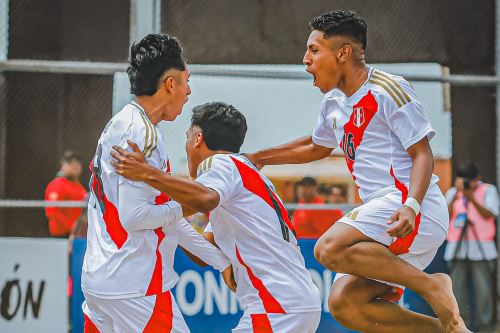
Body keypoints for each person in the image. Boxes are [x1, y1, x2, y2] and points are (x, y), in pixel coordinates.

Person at [245, 10, 470, 333]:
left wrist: (412, 205)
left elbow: (422, 154)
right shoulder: (333, 103)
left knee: (328, 248)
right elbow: (316, 146)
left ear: (343, 53)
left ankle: (431, 285)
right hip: (384, 215)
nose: (306, 59)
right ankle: (448, 329)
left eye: (314, 50)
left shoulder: (387, 89)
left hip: (412, 205)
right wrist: (259, 157)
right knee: (344, 304)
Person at [110, 102, 322, 333]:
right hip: (292, 301)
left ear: (197, 139)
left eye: (187, 136)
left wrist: (149, 174)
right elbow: (205, 252)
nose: (186, 145)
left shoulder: (219, 164)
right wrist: (170, 219)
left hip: (276, 304)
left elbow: (206, 199)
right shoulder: (242, 177)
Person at [81, 34, 234, 333]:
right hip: (135, 285)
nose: (189, 91)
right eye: (187, 81)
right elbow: (135, 217)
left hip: (101, 280)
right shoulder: (144, 134)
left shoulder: (120, 122)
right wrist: (188, 205)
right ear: (170, 83)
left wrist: (220, 262)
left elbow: (165, 219)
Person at [444, 163, 499, 331]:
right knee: (457, 292)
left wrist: (471, 197)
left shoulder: (488, 190)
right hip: (457, 249)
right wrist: (457, 195)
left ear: (477, 179)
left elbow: (489, 213)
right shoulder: (454, 192)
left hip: (481, 249)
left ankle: (485, 327)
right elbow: (445, 214)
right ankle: (461, 326)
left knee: (483, 291)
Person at [45, 150, 87, 238]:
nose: (75, 164)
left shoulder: (80, 187)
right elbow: (52, 211)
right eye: (71, 162)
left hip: (77, 235)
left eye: (78, 162)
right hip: (62, 235)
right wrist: (72, 227)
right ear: (63, 166)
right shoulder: (58, 184)